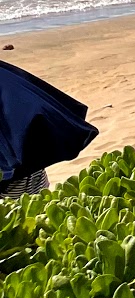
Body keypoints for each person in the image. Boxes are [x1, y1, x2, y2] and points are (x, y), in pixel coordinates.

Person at [1, 60, 99, 199]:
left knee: (29, 208)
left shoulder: (8, 79)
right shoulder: (10, 78)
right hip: (28, 163)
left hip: (23, 170)